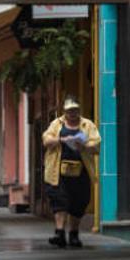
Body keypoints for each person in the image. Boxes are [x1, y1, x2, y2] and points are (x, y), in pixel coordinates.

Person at [41, 97, 101, 248]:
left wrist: (84, 145)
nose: (72, 113)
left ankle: (74, 234)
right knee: (58, 200)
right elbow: (46, 140)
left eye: (75, 110)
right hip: (57, 171)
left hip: (82, 172)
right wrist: (61, 139)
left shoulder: (88, 125)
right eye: (69, 111)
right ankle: (59, 233)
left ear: (79, 111)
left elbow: (96, 145)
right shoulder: (56, 124)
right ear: (65, 112)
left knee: (79, 202)